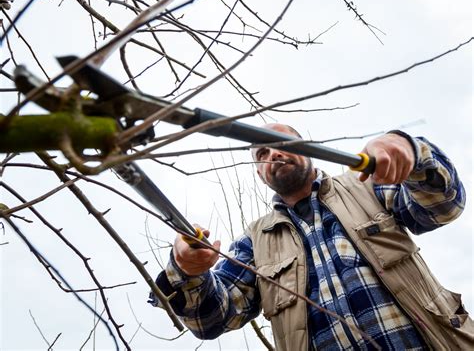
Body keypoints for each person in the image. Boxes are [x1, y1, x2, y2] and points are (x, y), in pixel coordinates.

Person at [150, 124, 473, 350]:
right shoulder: (254, 242)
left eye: (282, 143)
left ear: (309, 150)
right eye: (262, 152)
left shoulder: (366, 186)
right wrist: (188, 272)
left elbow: (442, 206)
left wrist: (410, 151)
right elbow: (213, 320)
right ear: (259, 173)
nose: (273, 153)